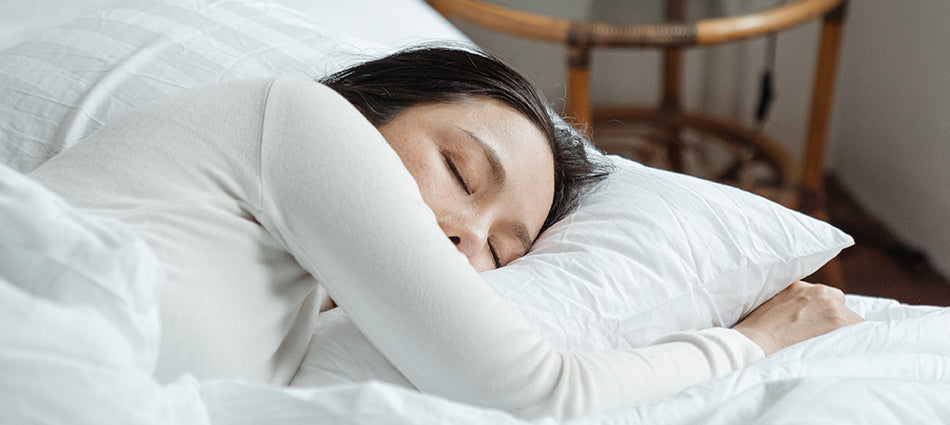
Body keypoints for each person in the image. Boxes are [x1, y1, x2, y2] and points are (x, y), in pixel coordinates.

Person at [28, 46, 861, 420]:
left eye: (503, 251)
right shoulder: (298, 116)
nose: (465, 239)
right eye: (462, 173)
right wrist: (748, 341)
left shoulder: (295, 303)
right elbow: (539, 391)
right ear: (365, 106)